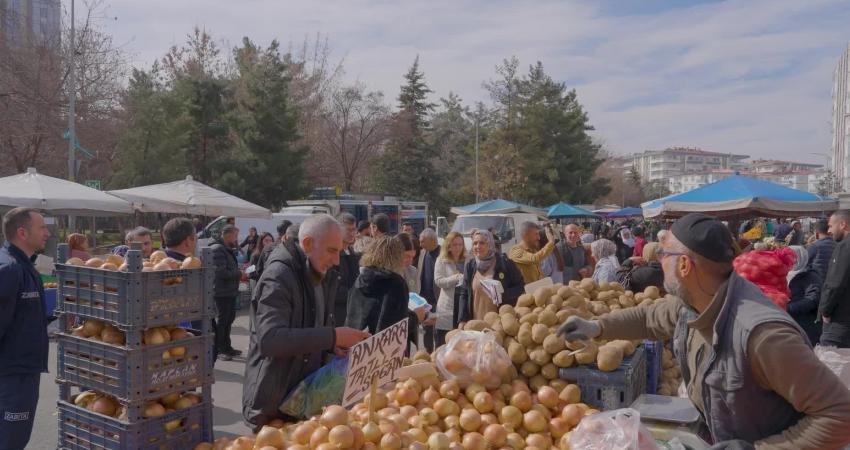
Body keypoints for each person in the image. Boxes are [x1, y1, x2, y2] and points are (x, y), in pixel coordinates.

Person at [558, 212, 850, 448]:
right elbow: (649, 317)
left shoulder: (762, 335)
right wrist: (597, 326)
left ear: (684, 265)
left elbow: (839, 414)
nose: (657, 259)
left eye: (663, 253)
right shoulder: (693, 302)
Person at [243, 214, 370, 429]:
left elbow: (311, 325)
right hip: (274, 403)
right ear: (308, 243)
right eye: (331, 250)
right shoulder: (279, 276)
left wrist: (332, 344)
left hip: (303, 397)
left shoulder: (321, 272)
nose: (337, 260)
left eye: (339, 251)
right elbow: (270, 340)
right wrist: (333, 335)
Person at [0, 208, 50, 449]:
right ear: (22, 232)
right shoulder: (9, 270)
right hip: (13, 376)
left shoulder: (25, 267)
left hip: (22, 372)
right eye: (42, 227)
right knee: (12, 440)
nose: (47, 233)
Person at [345, 235, 427, 348]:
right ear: (396, 257)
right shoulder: (395, 283)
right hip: (384, 353)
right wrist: (416, 317)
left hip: (357, 347)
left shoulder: (360, 279)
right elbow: (395, 327)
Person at [457, 230, 524, 325]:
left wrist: (502, 295)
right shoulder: (470, 266)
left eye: (482, 243)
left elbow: (520, 287)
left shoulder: (504, 263)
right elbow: (464, 294)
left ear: (490, 244)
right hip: (476, 324)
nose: (478, 246)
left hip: (500, 324)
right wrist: (462, 319)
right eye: (475, 243)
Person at [210, 225, 242, 361]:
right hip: (221, 291)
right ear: (227, 235)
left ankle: (227, 347)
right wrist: (239, 273)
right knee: (223, 321)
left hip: (229, 291)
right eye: (235, 235)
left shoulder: (225, 248)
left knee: (228, 320)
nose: (236, 239)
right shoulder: (218, 249)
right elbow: (220, 271)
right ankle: (220, 349)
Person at [819, 210, 850, 348]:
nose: (829, 231)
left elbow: (835, 284)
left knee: (834, 365)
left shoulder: (844, 247)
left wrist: (825, 310)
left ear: (843, 224)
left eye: (831, 226)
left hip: (840, 322)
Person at [435, 231, 465, 348]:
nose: (458, 248)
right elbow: (438, 281)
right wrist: (455, 278)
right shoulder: (441, 260)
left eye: (460, 245)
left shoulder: (468, 260)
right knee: (443, 344)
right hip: (447, 307)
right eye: (455, 245)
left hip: (462, 307)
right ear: (448, 246)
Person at [787, 245, 822, 345]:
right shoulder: (786, 274)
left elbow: (813, 299)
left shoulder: (810, 276)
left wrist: (789, 308)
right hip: (791, 322)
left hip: (806, 325)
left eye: (791, 258)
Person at [334, 213, 361, 327]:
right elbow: (334, 290)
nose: (352, 233)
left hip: (353, 314)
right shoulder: (333, 255)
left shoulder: (352, 253)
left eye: (354, 229)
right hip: (337, 316)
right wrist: (357, 292)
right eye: (348, 229)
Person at [417, 228, 441, 352]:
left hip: (439, 298)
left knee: (438, 329)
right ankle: (428, 352)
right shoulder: (422, 253)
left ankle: (438, 354)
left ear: (432, 240)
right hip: (425, 298)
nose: (420, 245)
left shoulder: (443, 253)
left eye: (422, 242)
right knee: (426, 328)